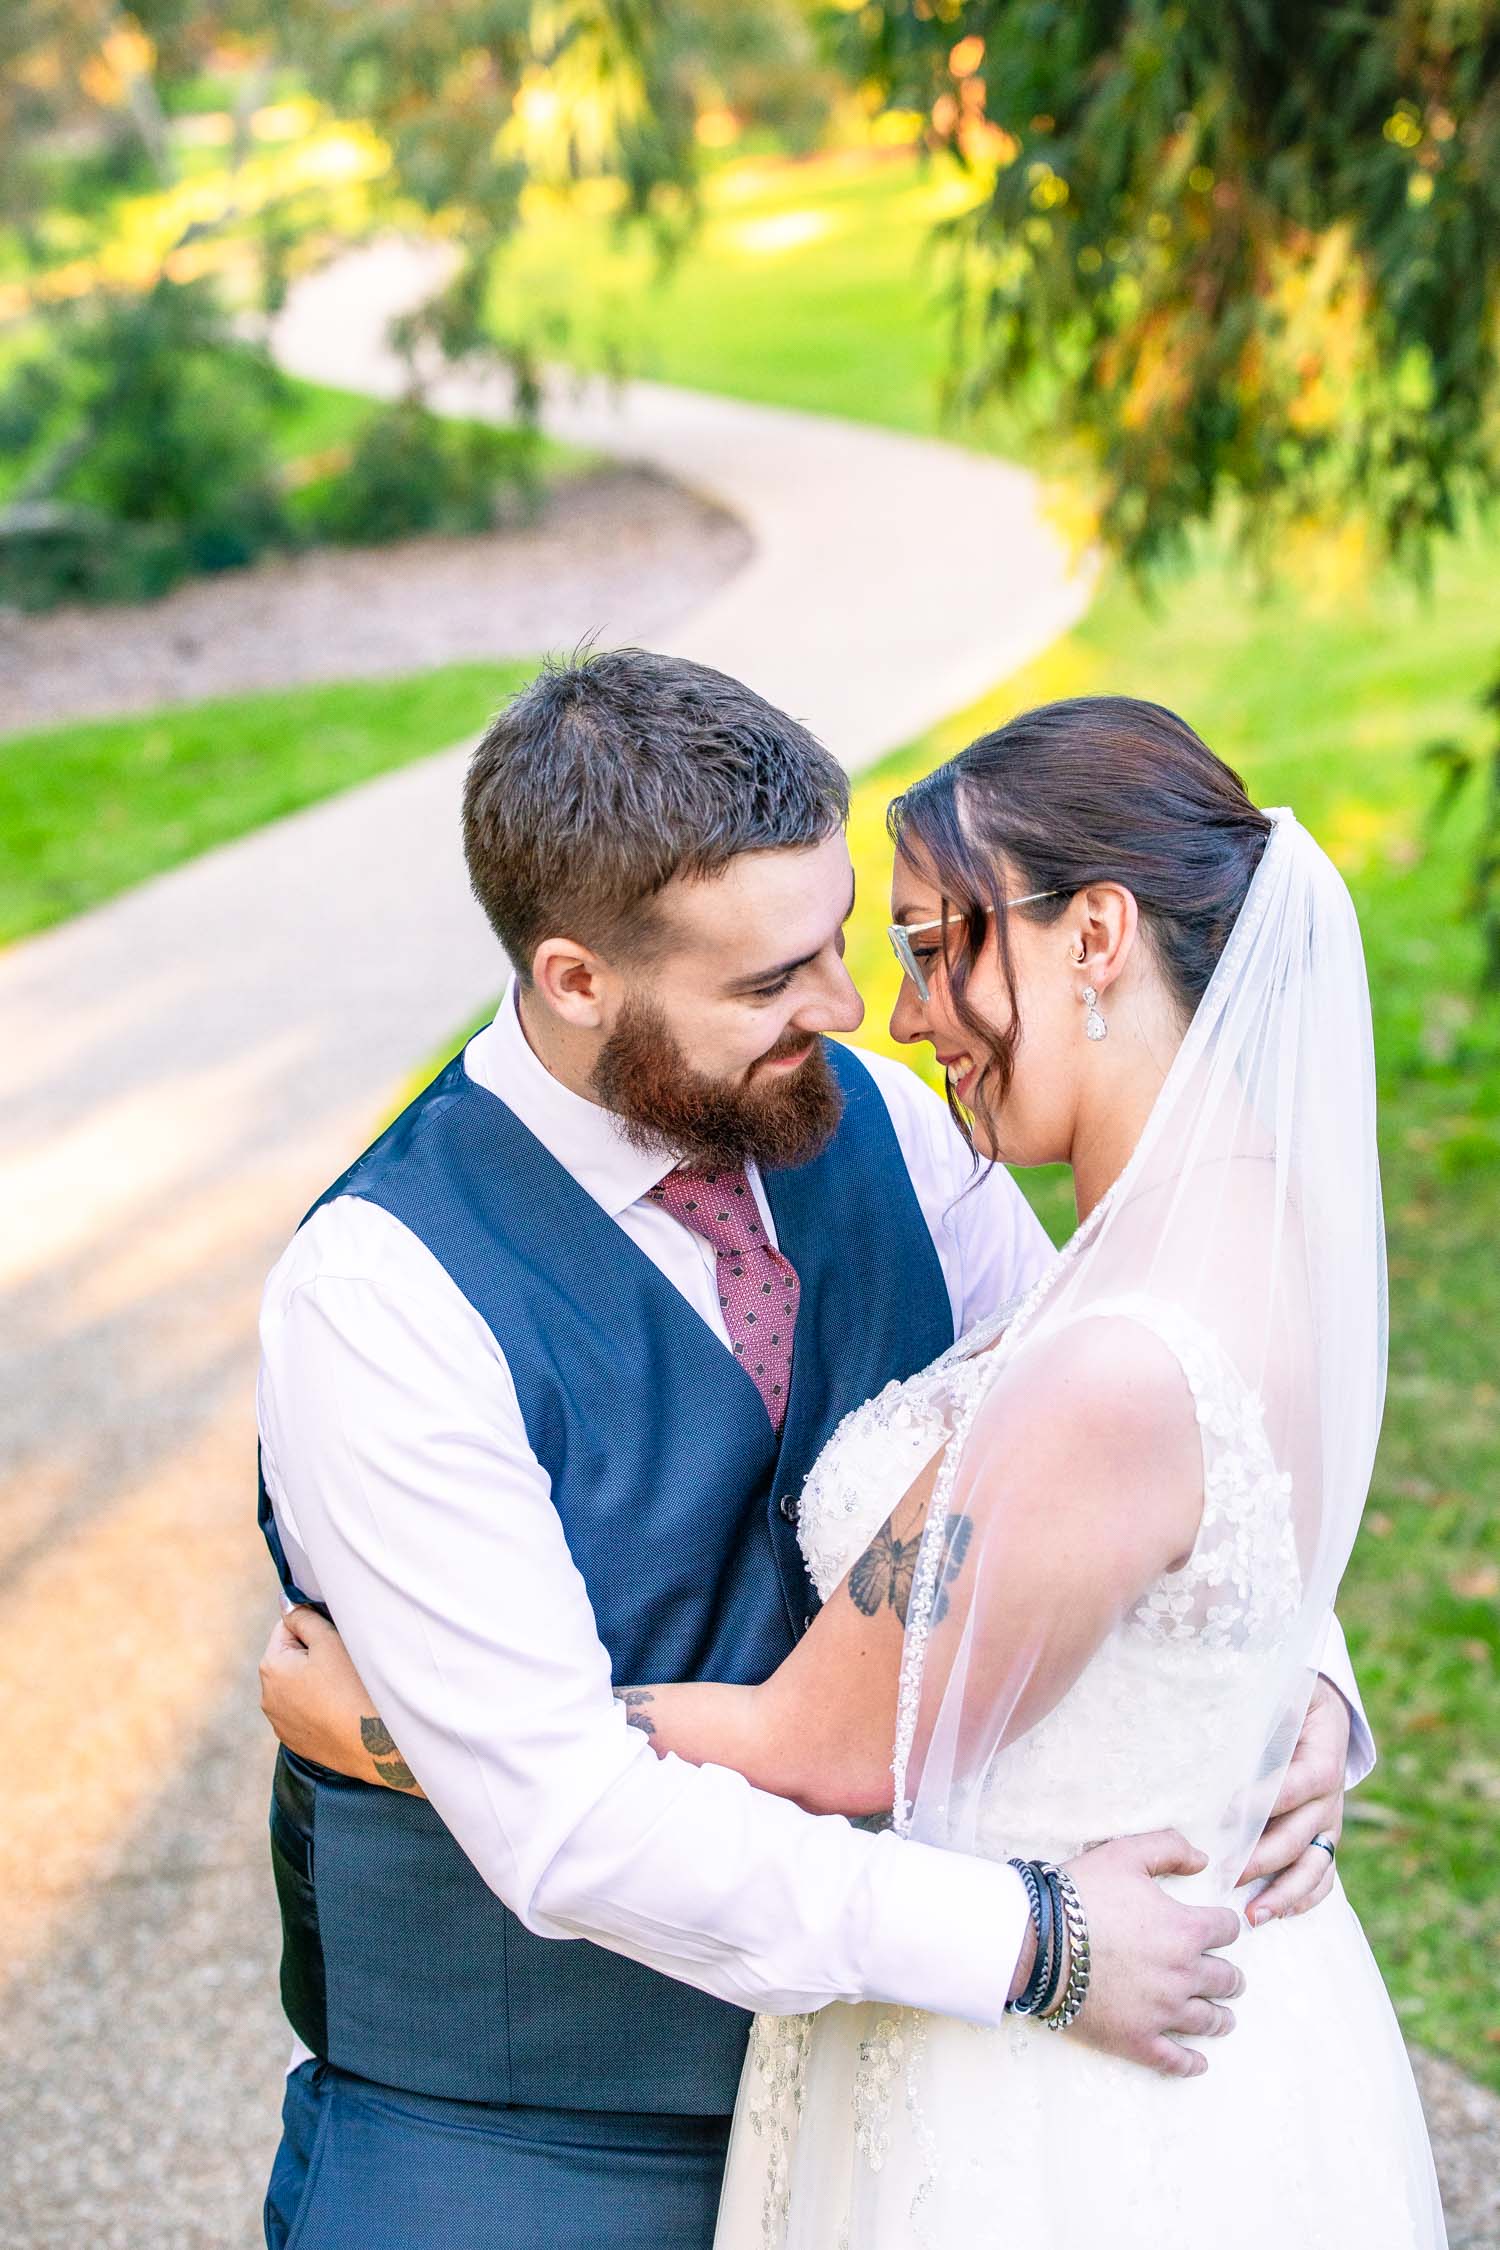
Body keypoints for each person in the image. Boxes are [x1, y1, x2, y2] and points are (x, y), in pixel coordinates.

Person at [255, 658, 1372, 2250]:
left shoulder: (889, 1133)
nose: (851, 1012)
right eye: (772, 979)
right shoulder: (381, 1296)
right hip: (536, 2143)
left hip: (912, 2102)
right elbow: (568, 1819)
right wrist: (1032, 1939)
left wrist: (1303, 1678)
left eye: (844, 941)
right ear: (578, 978)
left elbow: (1165, 1424)